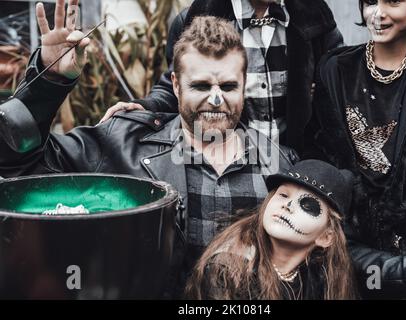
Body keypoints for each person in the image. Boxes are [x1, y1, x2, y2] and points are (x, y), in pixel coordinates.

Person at [0, 1, 298, 297]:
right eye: (201, 86)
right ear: (176, 86)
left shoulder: (280, 167)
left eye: (229, 87)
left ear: (244, 85)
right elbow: (20, 165)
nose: (216, 100)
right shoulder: (122, 145)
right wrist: (49, 81)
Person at [305, 0, 406, 299]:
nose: (378, 13)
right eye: (370, 1)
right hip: (350, 253)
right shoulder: (335, 70)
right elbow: (323, 162)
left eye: (394, 1)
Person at [99, 0, 344, 154]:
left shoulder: (315, 16)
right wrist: (144, 107)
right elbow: (179, 86)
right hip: (229, 163)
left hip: (298, 165)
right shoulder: (197, 16)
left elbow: (339, 84)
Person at [185, 159, 358, 300]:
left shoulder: (322, 276)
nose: (288, 205)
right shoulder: (228, 270)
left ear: (326, 237)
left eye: (308, 205)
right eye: (283, 195)